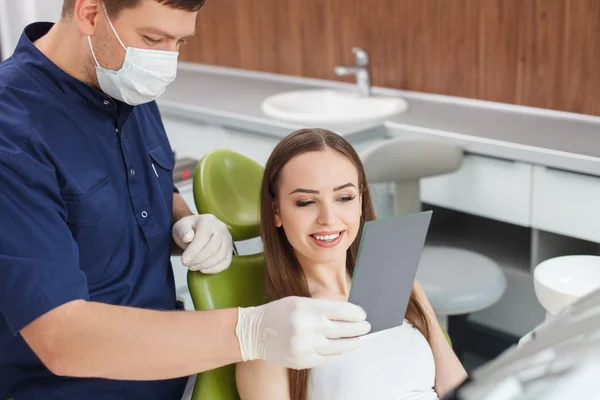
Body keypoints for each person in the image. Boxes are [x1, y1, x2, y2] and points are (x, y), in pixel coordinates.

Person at [0, 2, 371, 399]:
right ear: (90, 14)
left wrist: (184, 221)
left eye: (180, 41)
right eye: (153, 38)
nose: (166, 59)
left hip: (175, 377)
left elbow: (139, 188)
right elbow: (61, 337)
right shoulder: (13, 135)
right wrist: (248, 331)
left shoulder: (123, 81)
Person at [236, 128, 469, 400]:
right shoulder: (272, 332)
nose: (328, 218)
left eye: (344, 198)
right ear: (276, 211)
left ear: (360, 201)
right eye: (306, 202)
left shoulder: (398, 282)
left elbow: (459, 390)